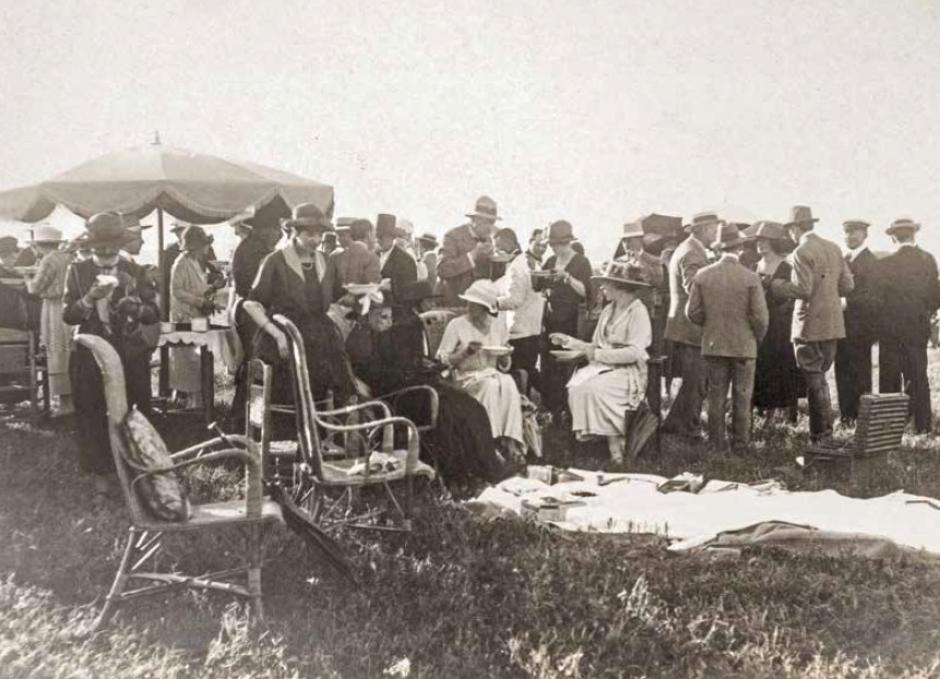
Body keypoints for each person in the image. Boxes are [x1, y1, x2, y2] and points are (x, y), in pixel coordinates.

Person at [346, 282, 505, 484]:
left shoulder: (383, 336)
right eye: (382, 316)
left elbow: (402, 363)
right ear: (366, 316)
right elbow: (378, 376)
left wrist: (423, 368)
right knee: (450, 412)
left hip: (412, 386)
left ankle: (485, 468)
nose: (387, 321)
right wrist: (415, 372)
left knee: (471, 407)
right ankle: (462, 475)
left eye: (389, 316)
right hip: (395, 396)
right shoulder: (359, 340)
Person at [63, 213, 159, 503]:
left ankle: (137, 473)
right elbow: (68, 315)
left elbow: (155, 314)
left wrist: (136, 308)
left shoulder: (136, 270)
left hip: (130, 352)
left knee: (135, 412)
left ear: (120, 245)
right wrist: (89, 299)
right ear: (90, 246)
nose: (105, 253)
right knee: (91, 412)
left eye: (111, 247)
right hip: (91, 350)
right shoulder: (78, 271)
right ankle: (101, 479)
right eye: (98, 248)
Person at [243, 203, 355, 405]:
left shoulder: (326, 262)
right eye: (309, 235)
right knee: (285, 395)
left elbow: (339, 294)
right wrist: (276, 334)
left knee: (321, 391)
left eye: (319, 235)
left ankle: (318, 433)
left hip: (320, 336)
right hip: (285, 335)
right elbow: (251, 303)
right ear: (294, 232)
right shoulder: (275, 261)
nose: (316, 240)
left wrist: (360, 294)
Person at [770, 205, 854, 444]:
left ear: (796, 228)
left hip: (808, 326)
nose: (789, 235)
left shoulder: (800, 252)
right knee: (821, 378)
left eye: (789, 230)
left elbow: (803, 290)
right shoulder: (835, 248)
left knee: (814, 380)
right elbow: (848, 286)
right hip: (833, 325)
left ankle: (821, 434)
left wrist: (776, 285)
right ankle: (825, 430)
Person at [556, 261, 652, 463]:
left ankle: (614, 444)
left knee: (593, 390)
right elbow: (595, 345)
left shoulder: (638, 312)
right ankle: (596, 439)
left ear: (620, 287)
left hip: (628, 371)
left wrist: (596, 355)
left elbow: (634, 353)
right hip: (603, 368)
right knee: (575, 387)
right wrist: (571, 344)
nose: (601, 288)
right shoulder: (609, 311)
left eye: (605, 284)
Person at [687, 224, 769, 454]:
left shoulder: (702, 275)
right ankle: (741, 445)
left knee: (716, 397)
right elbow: (761, 318)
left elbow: (692, 312)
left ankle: (716, 444)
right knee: (742, 397)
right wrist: (754, 339)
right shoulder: (751, 277)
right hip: (744, 346)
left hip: (714, 344)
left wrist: (711, 325)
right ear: (740, 248)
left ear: (717, 249)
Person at [437, 279, 525, 459]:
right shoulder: (456, 325)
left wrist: (505, 356)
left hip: (492, 375)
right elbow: (441, 360)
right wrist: (464, 352)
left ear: (485, 308)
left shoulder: (498, 326)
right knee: (490, 387)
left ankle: (509, 441)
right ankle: (488, 445)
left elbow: (503, 366)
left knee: (507, 382)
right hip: (465, 378)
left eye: (474, 304)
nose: (468, 307)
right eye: (468, 302)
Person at [877, 218, 940, 434]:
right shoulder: (928, 260)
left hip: (890, 333)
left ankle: (887, 428)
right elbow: (935, 296)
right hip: (917, 331)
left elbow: (879, 301)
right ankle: (922, 427)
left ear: (893, 237)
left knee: (889, 380)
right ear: (914, 235)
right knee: (918, 378)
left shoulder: (885, 263)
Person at [661, 212, 720, 439]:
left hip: (684, 324)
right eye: (714, 229)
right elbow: (695, 289)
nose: (716, 233)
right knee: (696, 381)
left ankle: (677, 424)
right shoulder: (692, 252)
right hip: (689, 326)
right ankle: (687, 428)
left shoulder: (689, 249)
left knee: (693, 381)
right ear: (704, 229)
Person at [537, 220, 593, 416]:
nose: (554, 248)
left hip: (571, 320)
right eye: (551, 245)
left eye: (557, 244)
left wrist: (568, 278)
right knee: (548, 363)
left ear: (567, 242)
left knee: (566, 364)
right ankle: (550, 408)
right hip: (550, 319)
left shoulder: (581, 262)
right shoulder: (551, 261)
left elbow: (586, 291)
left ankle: (567, 409)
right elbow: (537, 285)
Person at [751, 221, 801, 421]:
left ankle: (782, 412)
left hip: (780, 324)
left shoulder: (786, 266)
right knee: (761, 365)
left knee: (780, 365)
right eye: (758, 241)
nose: (761, 245)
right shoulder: (755, 266)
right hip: (759, 323)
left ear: (774, 243)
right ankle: (762, 409)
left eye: (765, 242)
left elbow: (792, 295)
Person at [835, 219, 881, 425]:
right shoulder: (844, 258)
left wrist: (845, 302)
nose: (850, 237)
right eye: (847, 233)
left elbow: (874, 297)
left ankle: (861, 418)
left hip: (861, 329)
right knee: (842, 371)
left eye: (854, 233)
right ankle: (846, 416)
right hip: (841, 327)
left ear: (865, 235)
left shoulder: (871, 262)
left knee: (859, 374)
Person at [25, 226, 74, 415]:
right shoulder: (68, 257)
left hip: (54, 307)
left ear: (39, 245)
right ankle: (71, 400)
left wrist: (27, 278)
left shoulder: (48, 259)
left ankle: (65, 404)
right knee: (67, 351)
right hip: (68, 306)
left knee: (57, 351)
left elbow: (35, 288)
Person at [169, 226, 220, 408]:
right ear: (196, 246)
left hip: (196, 317)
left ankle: (197, 403)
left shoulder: (195, 263)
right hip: (185, 317)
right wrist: (200, 302)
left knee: (197, 360)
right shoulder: (181, 263)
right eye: (204, 245)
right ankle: (190, 405)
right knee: (188, 360)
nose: (206, 249)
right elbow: (177, 291)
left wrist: (211, 289)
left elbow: (197, 287)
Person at [493, 227, 545, 395]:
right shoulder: (525, 262)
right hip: (531, 328)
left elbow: (515, 300)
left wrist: (492, 302)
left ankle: (556, 403)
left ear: (510, 243)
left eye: (499, 246)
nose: (497, 250)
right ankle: (552, 405)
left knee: (521, 374)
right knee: (528, 373)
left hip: (521, 332)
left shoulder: (517, 266)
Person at [438, 195, 500, 305]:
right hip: (455, 304)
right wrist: (472, 255)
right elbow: (442, 270)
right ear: (474, 219)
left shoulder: (489, 241)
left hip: (479, 306)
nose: (490, 227)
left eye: (492, 222)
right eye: (486, 222)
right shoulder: (453, 236)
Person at [377, 213, 418, 316]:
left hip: (396, 313)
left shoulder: (406, 260)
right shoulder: (372, 255)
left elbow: (410, 292)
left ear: (392, 237)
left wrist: (392, 287)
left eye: (382, 237)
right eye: (377, 236)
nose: (379, 240)